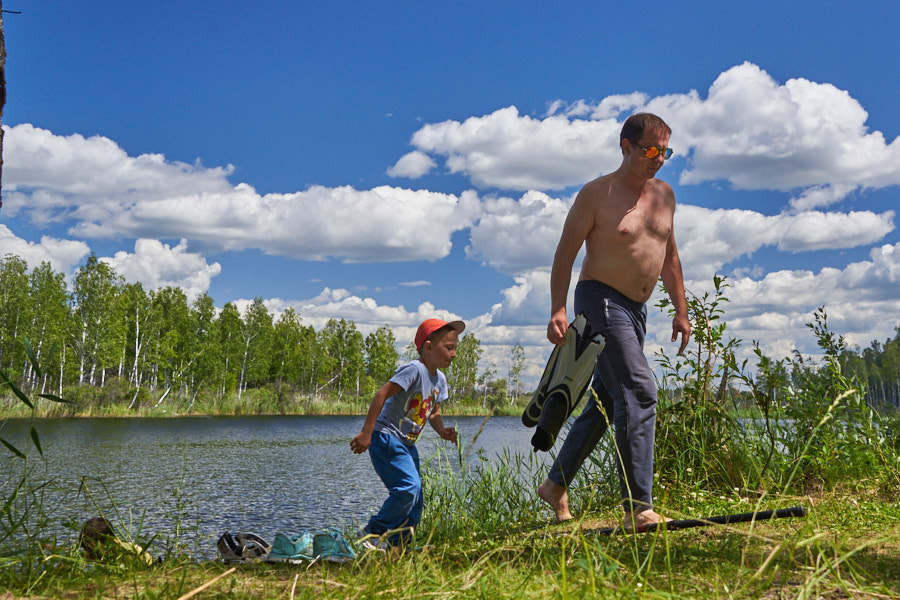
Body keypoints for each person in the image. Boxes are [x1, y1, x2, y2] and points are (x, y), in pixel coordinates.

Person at [537, 112, 691, 531]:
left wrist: (680, 309)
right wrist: (557, 308)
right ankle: (638, 507)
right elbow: (564, 254)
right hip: (599, 300)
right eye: (651, 150)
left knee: (606, 402)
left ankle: (555, 485)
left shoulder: (665, 195)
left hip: (636, 312)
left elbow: (670, 257)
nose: (659, 159)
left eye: (666, 151)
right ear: (626, 146)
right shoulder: (596, 194)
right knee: (639, 391)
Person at [350, 318, 464, 548]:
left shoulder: (440, 379)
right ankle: (371, 533)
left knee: (416, 498)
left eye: (455, 349)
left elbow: (433, 412)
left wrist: (442, 430)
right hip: (386, 437)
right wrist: (366, 432)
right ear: (429, 346)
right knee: (407, 489)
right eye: (449, 348)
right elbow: (382, 394)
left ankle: (399, 546)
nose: (453, 354)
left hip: (407, 445)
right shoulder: (414, 369)